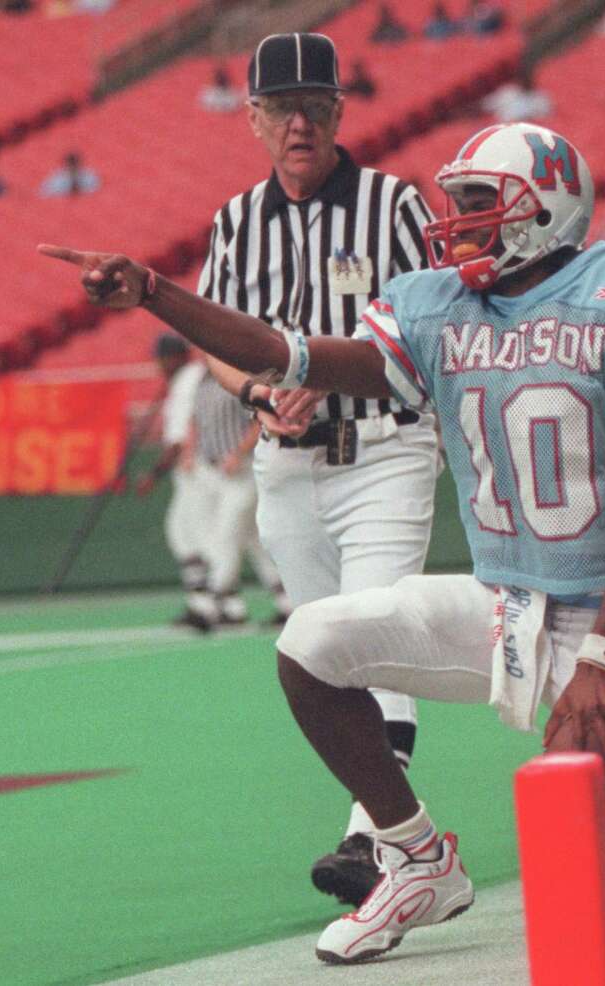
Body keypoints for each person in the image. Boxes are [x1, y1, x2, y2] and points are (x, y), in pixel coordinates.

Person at [40, 121, 605, 965]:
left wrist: (600, 659)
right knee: (311, 640)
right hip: (501, 603)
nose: (455, 223)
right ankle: (417, 857)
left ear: (548, 207)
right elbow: (290, 354)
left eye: (476, 205)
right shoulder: (433, 302)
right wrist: (157, 292)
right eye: (455, 205)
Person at [178, 31, 439, 907]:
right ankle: (413, 847)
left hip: (384, 450)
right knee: (322, 649)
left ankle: (371, 840)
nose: (299, 122)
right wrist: (258, 389)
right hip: (287, 469)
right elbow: (216, 341)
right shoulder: (234, 221)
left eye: (315, 106)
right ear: (252, 119)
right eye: (281, 108)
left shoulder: (394, 206)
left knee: (377, 626)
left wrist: (321, 373)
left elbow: (430, 326)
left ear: (339, 112)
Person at [186, 371, 292, 626]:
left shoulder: (236, 377)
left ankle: (212, 603)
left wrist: (238, 453)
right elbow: (194, 421)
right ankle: (287, 601)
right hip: (212, 472)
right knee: (255, 542)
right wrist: (191, 452)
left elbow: (258, 420)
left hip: (241, 472)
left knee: (226, 536)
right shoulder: (202, 380)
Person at [133, 335, 215, 630]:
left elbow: (180, 438)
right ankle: (216, 605)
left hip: (199, 469)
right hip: (202, 468)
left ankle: (211, 606)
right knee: (205, 537)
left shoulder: (187, 380)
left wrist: (155, 474)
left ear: (177, 357)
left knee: (191, 537)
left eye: (162, 358)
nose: (159, 365)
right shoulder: (190, 378)